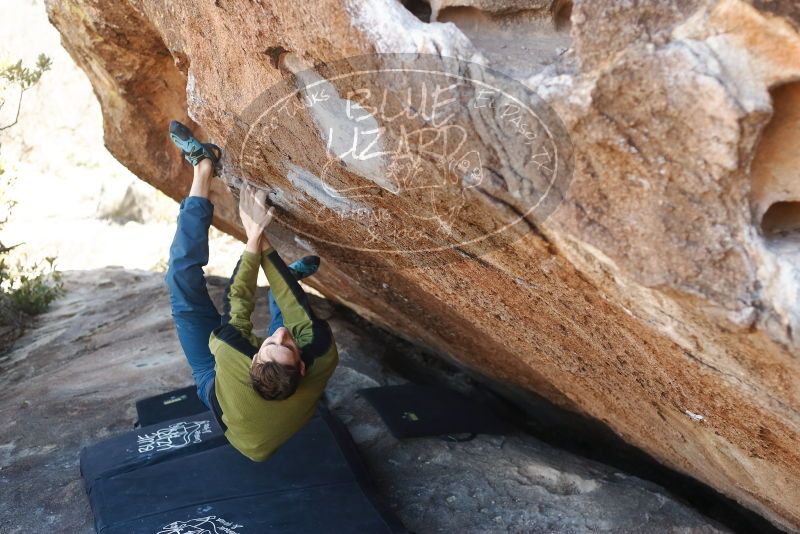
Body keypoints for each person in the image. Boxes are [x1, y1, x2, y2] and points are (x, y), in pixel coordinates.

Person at [164, 120, 339, 462]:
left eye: (272, 343)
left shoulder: (231, 356)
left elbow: (239, 301)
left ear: (254, 356)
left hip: (214, 386)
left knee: (180, 283)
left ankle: (203, 167)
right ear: (303, 368)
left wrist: (253, 238)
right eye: (286, 346)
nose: (281, 337)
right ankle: (286, 278)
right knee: (291, 311)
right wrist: (261, 238)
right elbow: (295, 320)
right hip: (274, 385)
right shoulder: (322, 357)